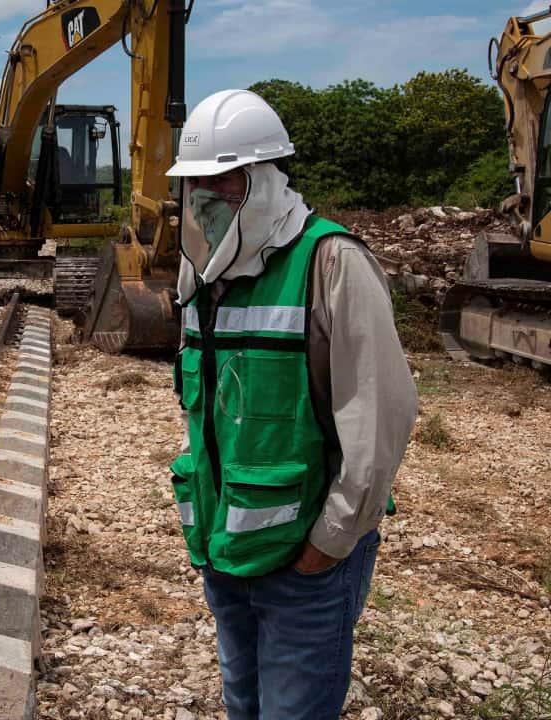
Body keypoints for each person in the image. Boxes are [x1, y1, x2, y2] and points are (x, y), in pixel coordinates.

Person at [164, 89, 418, 720]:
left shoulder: (331, 263)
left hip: (305, 568)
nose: (202, 199)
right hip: (226, 552)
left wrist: (329, 544)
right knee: (243, 704)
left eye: (218, 183)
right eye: (193, 184)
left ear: (260, 179)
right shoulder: (202, 276)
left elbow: (380, 421)